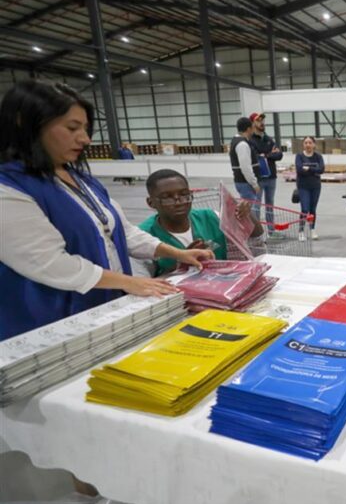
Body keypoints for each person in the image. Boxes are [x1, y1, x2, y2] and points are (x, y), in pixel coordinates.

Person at [0, 81, 213, 340]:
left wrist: (179, 253)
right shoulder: (10, 189)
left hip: (102, 309)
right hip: (49, 322)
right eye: (72, 128)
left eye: (85, 128)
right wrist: (129, 282)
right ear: (25, 123)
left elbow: (123, 232)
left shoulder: (81, 180)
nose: (85, 139)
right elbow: (51, 264)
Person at [139, 169, 263, 276]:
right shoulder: (142, 238)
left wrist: (246, 215)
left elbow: (256, 235)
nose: (179, 202)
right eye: (167, 197)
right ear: (151, 203)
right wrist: (181, 263)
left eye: (184, 195)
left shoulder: (211, 217)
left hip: (220, 285)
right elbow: (144, 283)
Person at [248, 112, 282, 223]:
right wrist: (270, 154)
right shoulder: (251, 140)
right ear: (252, 124)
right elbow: (256, 157)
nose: (261, 122)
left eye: (262, 120)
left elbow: (279, 155)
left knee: (270, 204)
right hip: (259, 178)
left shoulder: (269, 139)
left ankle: (271, 229)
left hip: (272, 177)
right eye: (258, 120)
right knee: (256, 205)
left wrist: (266, 155)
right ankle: (257, 230)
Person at [295, 136, 324, 241]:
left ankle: (312, 229)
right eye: (306, 143)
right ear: (303, 144)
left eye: (310, 143)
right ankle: (301, 231)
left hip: (316, 186)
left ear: (314, 144)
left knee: (312, 209)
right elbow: (299, 169)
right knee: (305, 209)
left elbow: (321, 169)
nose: (308, 145)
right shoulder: (299, 156)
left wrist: (308, 169)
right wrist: (314, 170)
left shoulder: (318, 157)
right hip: (303, 187)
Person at [230, 116, 261, 204]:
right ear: (248, 129)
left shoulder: (236, 141)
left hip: (242, 182)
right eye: (252, 128)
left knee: (247, 208)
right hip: (245, 183)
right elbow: (245, 167)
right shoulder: (242, 144)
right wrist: (254, 183)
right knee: (250, 209)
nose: (253, 131)